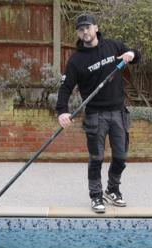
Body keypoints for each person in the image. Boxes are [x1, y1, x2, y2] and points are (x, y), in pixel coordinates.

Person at [56, 14, 140, 213]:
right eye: (81, 29)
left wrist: (132, 55)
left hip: (119, 112)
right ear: (78, 33)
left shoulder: (113, 46)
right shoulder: (76, 60)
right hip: (95, 115)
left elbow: (136, 54)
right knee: (96, 158)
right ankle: (96, 195)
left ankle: (112, 190)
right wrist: (62, 111)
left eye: (88, 27)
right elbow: (65, 87)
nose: (85, 32)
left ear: (96, 28)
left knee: (120, 157)